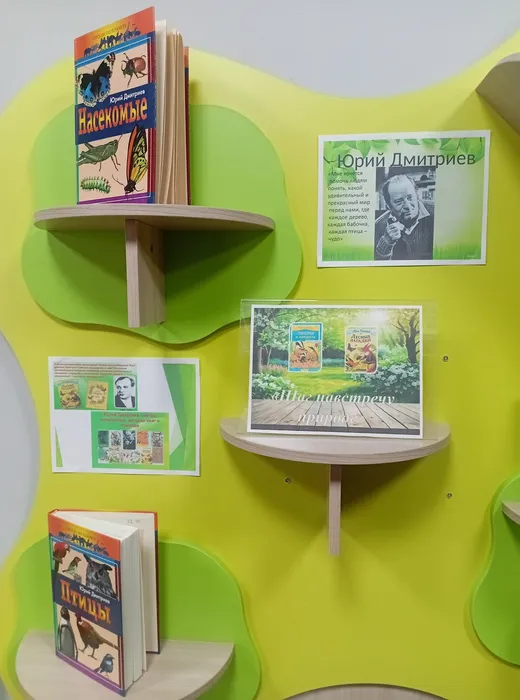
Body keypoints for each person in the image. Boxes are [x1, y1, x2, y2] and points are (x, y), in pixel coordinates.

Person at [374, 174, 434, 261]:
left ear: (417, 195)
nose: (407, 206)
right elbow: (376, 264)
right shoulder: (378, 226)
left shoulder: (437, 213)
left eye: (410, 197)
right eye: (399, 201)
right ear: (389, 206)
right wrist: (386, 244)